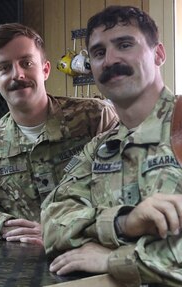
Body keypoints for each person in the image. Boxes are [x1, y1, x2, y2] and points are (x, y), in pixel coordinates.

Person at [0, 23, 119, 244]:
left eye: (26, 63)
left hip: (91, 256)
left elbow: (126, 186)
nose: (17, 74)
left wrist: (64, 230)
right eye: (5, 68)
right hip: (21, 266)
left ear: (45, 69)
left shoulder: (95, 118)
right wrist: (0, 225)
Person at [41, 6, 182, 286]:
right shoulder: (101, 148)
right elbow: (52, 223)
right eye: (98, 52)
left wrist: (112, 260)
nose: (110, 59)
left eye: (125, 44)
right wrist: (124, 223)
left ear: (159, 54)